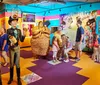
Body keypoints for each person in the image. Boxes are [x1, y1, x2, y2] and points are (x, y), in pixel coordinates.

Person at [7, 16, 26, 85]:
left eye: (16, 21)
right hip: (11, 49)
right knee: (11, 64)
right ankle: (11, 78)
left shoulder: (19, 30)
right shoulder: (8, 30)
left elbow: (21, 40)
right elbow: (8, 40)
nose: (15, 22)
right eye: (13, 21)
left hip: (17, 48)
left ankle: (18, 79)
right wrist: (10, 43)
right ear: (10, 23)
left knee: (17, 64)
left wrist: (24, 35)